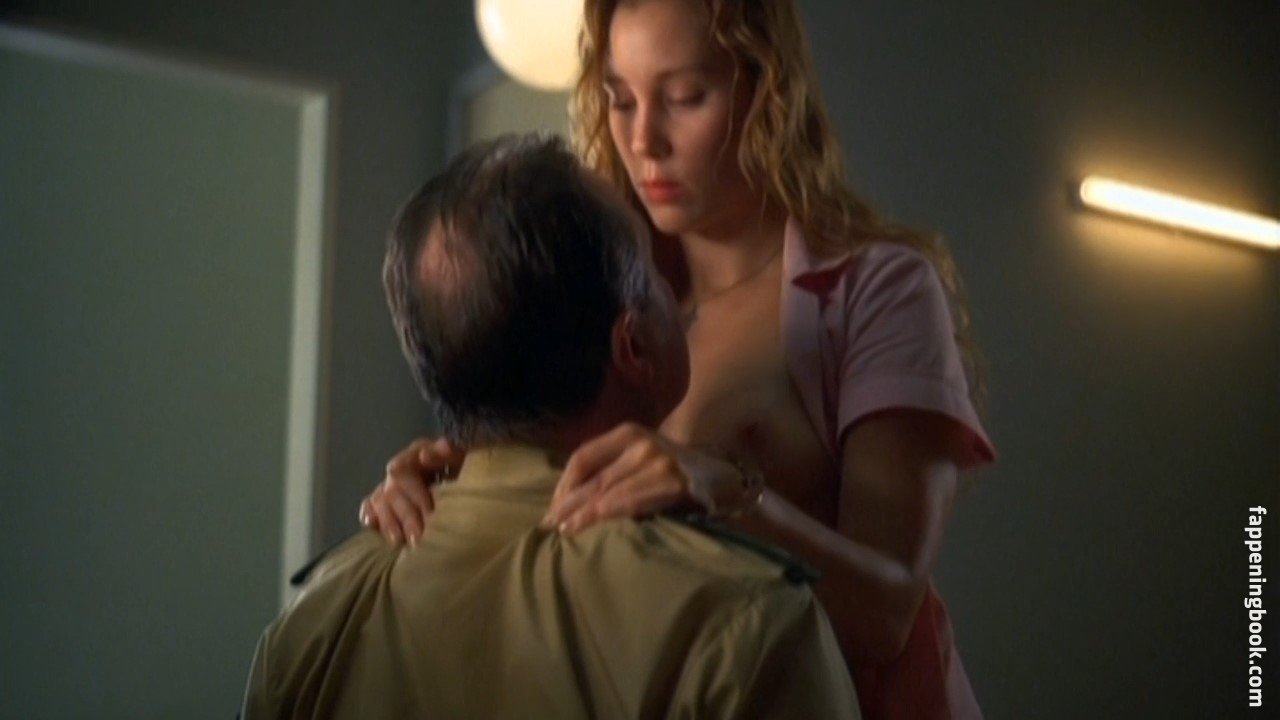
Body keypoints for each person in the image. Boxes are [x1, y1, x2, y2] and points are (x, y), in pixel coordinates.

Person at [363, 1, 997, 717]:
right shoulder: (608, 295)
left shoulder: (874, 290)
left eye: (686, 97)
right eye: (620, 99)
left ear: (767, 91)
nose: (644, 141)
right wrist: (449, 486)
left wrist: (731, 492)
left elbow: (887, 613)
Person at [242, 133, 861, 719]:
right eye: (652, 267)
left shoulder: (309, 628)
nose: (677, 294)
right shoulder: (745, 623)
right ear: (634, 345)